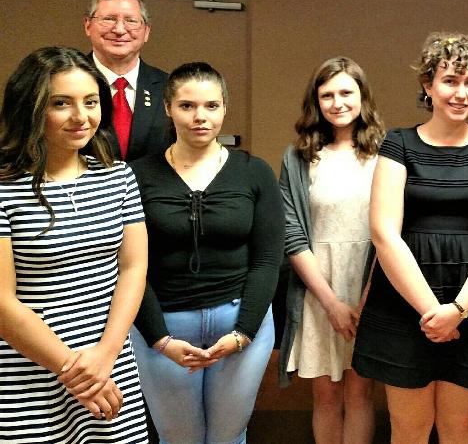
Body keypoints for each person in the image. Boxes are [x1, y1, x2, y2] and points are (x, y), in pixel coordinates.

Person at [352, 32, 468, 443]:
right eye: (450, 81)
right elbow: (384, 233)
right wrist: (433, 312)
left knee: (460, 430)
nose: (461, 93)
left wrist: (457, 311)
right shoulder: (398, 144)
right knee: (409, 430)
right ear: (428, 85)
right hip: (406, 304)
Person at [0, 46, 148, 442]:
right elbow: (1, 301)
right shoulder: (4, 187)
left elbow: (133, 268)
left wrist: (104, 358)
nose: (81, 117)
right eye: (61, 103)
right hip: (29, 371)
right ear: (29, 108)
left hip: (109, 361)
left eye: (90, 102)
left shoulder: (118, 176)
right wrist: (75, 372)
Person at [128, 62, 282, 443]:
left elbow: (267, 260)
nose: (200, 117)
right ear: (167, 108)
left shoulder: (254, 172)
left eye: (211, 106)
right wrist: (160, 339)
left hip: (241, 325)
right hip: (162, 329)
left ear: (224, 108)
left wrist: (242, 334)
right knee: (179, 439)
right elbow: (128, 267)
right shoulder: (135, 175)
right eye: (187, 106)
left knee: (229, 437)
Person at [278, 57, 385, 443]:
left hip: (371, 288)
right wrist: (331, 302)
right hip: (317, 289)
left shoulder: (386, 154)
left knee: (360, 395)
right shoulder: (297, 157)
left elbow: (394, 232)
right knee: (326, 396)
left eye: (346, 92)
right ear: (315, 101)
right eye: (327, 95)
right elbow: (291, 234)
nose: (337, 102)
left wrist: (363, 300)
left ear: (362, 96)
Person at [84, 0, 170, 162]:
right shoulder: (65, 83)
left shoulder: (169, 87)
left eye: (131, 20)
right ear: (88, 25)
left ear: (146, 31)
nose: (120, 30)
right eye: (109, 19)